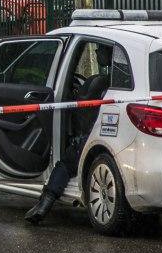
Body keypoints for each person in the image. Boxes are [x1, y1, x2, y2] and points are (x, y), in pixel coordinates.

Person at [24, 42, 113, 224]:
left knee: (65, 163)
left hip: (91, 138)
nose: (96, 52)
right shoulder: (115, 82)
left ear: (106, 55)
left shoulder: (95, 84)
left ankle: (45, 202)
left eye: (99, 50)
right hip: (107, 136)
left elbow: (82, 111)